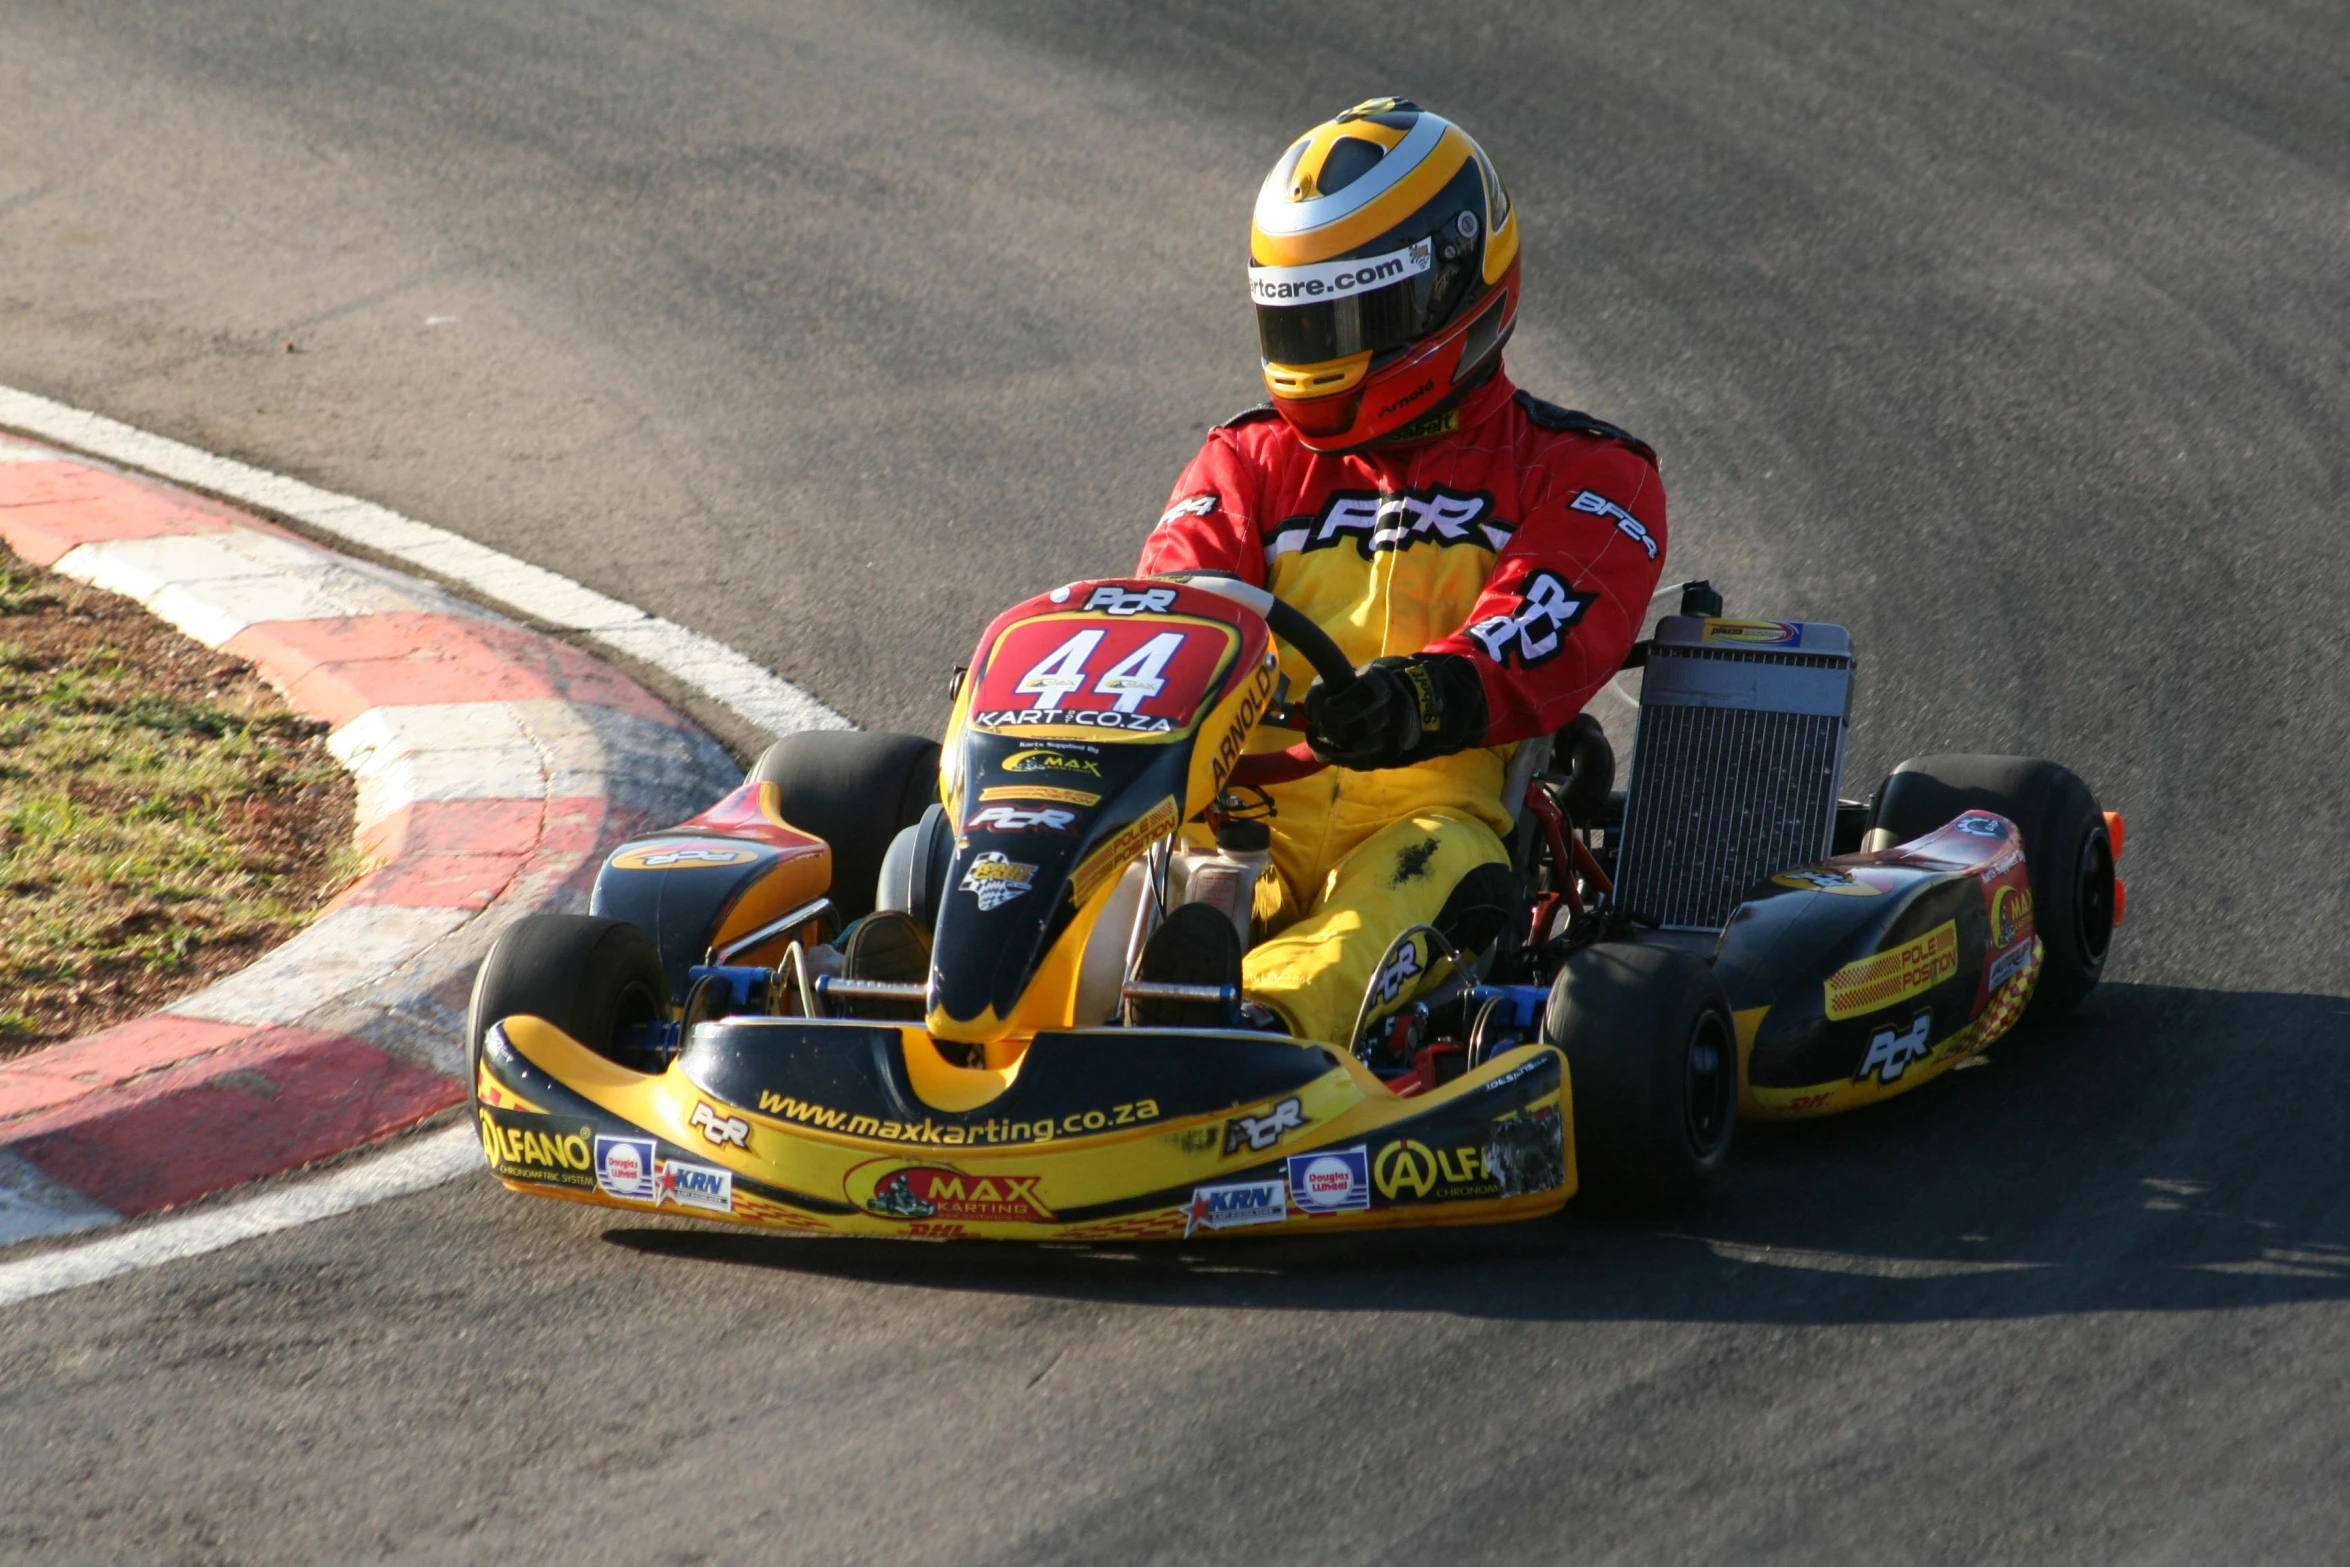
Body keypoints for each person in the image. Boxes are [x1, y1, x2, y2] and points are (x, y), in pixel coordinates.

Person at [1134, 96, 1668, 1047]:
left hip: (1432, 816)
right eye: (1305, 324)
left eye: (1356, 314)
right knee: (1143, 877)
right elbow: (1175, 612)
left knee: (1370, 917)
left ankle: (1256, 1038)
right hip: (1243, 805)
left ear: (1452, 288)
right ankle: (1023, 992)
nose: (1326, 352)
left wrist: (1418, 696)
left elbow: (1545, 622)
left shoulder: (1585, 470)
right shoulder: (1247, 462)